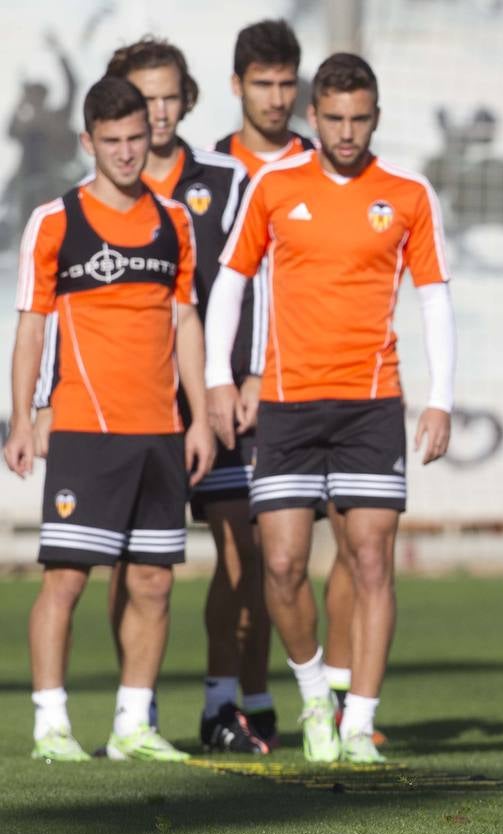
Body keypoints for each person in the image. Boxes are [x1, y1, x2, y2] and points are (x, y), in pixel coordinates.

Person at [205, 53, 455, 764]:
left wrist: (440, 400)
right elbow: (231, 282)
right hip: (285, 404)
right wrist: (220, 380)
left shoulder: (407, 193)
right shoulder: (275, 186)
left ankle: (358, 721)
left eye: (360, 118)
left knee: (372, 559)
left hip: (372, 405)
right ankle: (314, 693)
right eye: (335, 118)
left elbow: (436, 297)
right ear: (314, 118)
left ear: (375, 117)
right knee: (281, 565)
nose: (347, 132)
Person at [30, 39, 266, 753]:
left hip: (187, 418)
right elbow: (38, 321)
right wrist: (35, 406)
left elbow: (213, 306)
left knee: (195, 569)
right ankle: (92, 719)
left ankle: (180, 714)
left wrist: (221, 394)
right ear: (97, 134)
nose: (143, 131)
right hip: (99, 421)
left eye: (160, 107)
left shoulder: (202, 201)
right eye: (128, 121)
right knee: (90, 572)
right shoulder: (68, 212)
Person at [4, 76, 210, 762]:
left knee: (152, 581)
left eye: (136, 139)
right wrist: (23, 418)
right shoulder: (56, 221)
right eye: (112, 141)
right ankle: (51, 726)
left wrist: (200, 418)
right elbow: (32, 327)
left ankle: (132, 728)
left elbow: (185, 321)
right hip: (85, 430)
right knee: (65, 578)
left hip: (159, 431)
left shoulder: (174, 221)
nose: (126, 154)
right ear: (89, 142)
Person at [216, 18, 371, 745]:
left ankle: (337, 696)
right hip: (233, 392)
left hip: (310, 388)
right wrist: (220, 377)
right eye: (262, 83)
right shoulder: (207, 171)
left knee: (352, 541)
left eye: (286, 83)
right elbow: (210, 287)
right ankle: (242, 698)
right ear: (237, 86)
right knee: (247, 555)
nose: (275, 98)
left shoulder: (327, 162)